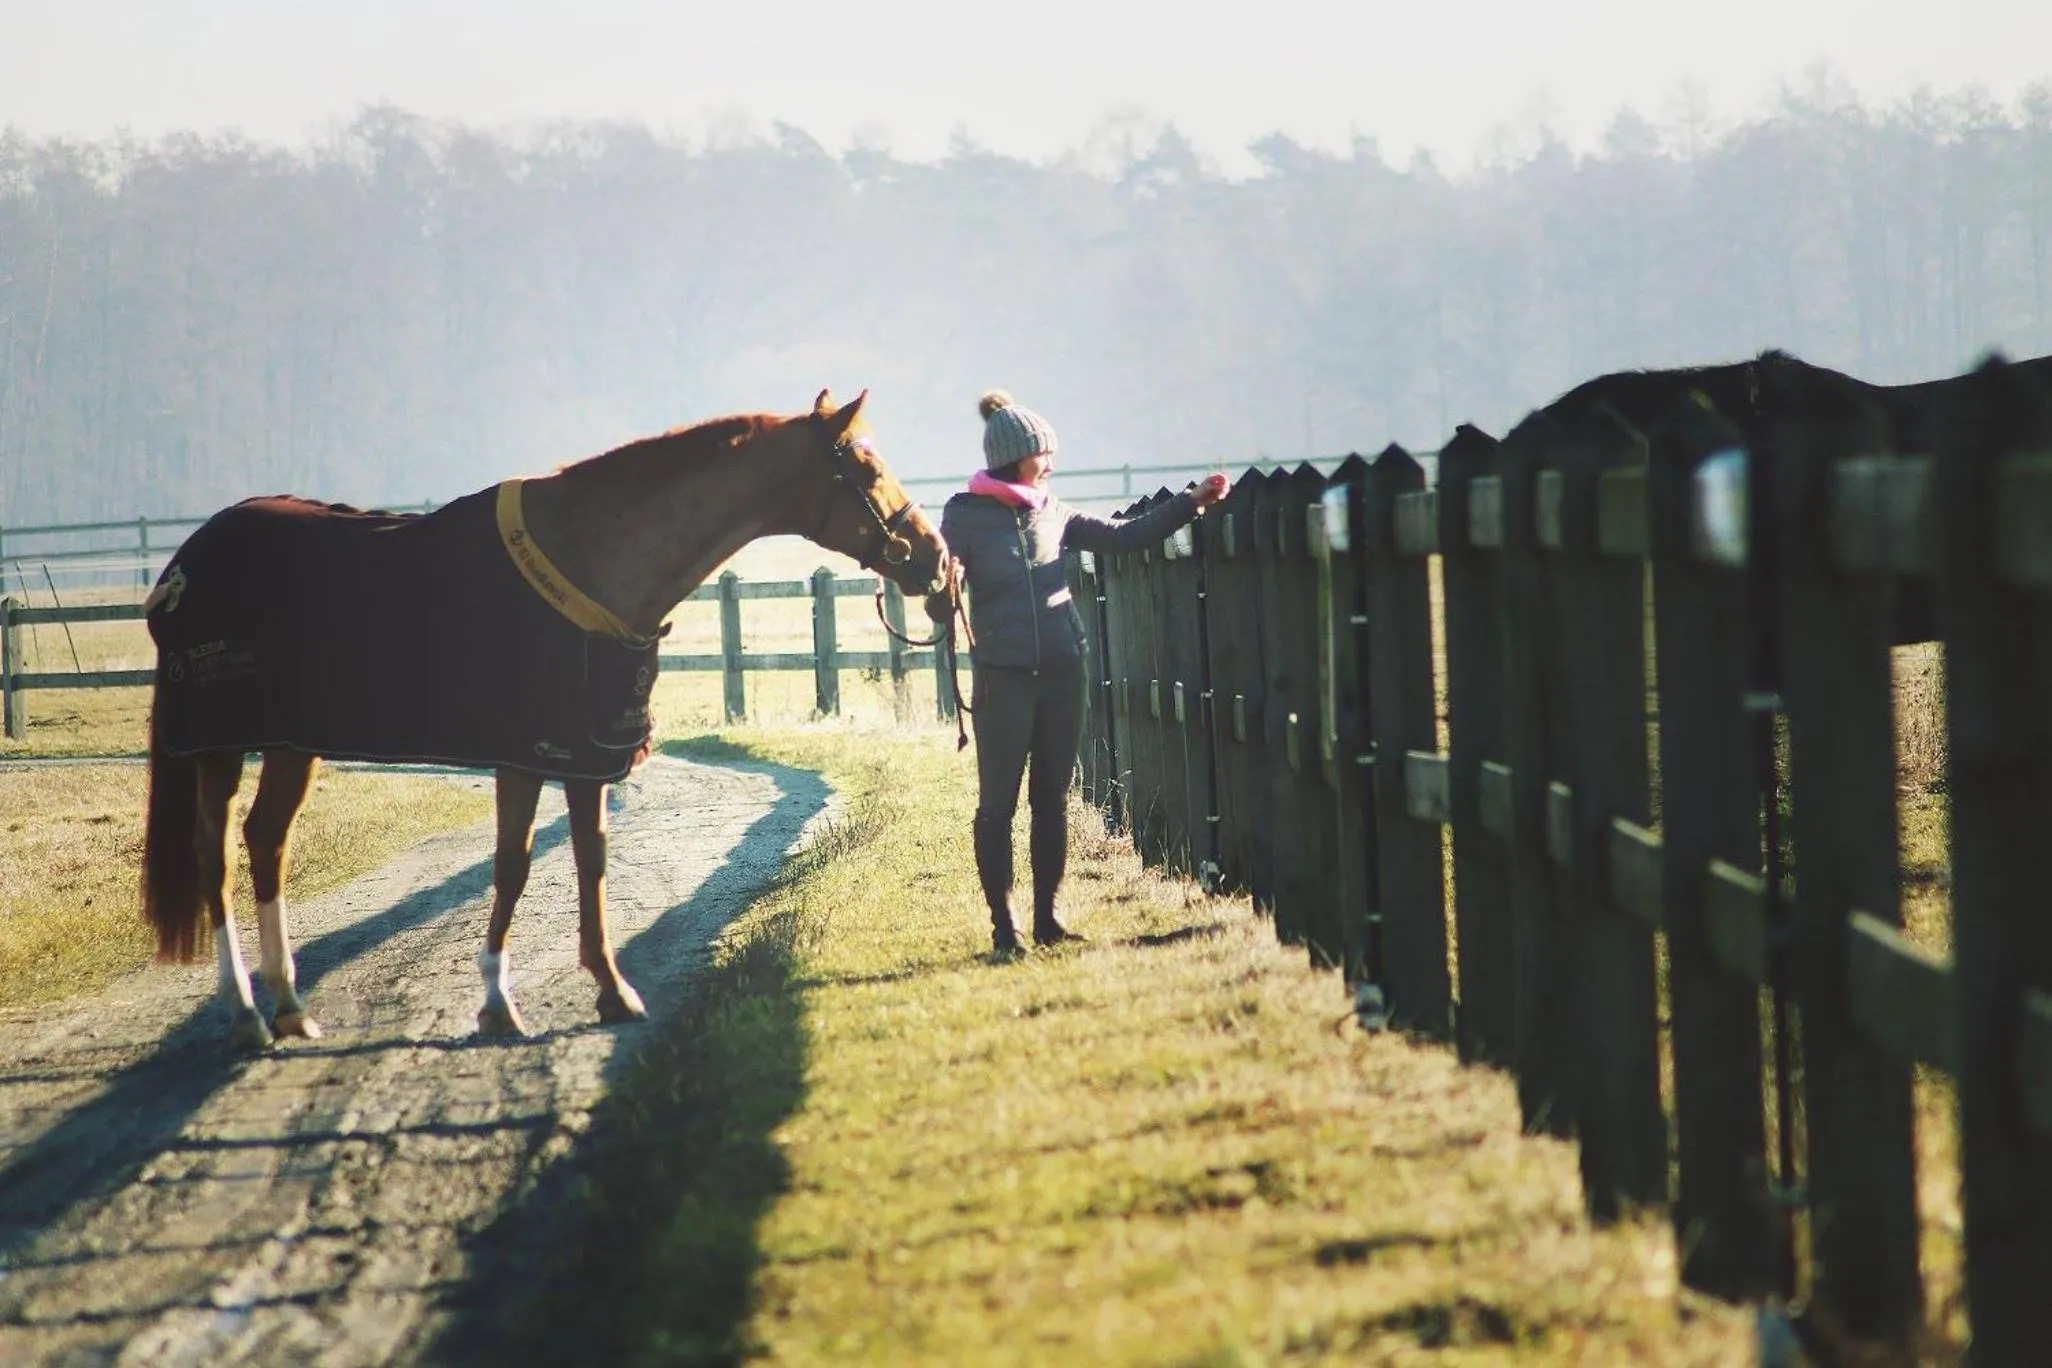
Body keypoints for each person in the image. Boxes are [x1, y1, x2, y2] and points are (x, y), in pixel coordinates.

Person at [928, 390, 1229, 955]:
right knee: (998, 804)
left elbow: (1125, 536)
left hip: (1065, 673)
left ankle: (1047, 919)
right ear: (1018, 455)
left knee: (1052, 799)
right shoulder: (962, 519)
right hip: (1002, 678)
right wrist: (942, 585)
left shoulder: (1052, 510)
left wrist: (1192, 501)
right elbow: (938, 605)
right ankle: (1004, 925)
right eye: (1045, 453)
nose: (1052, 463)